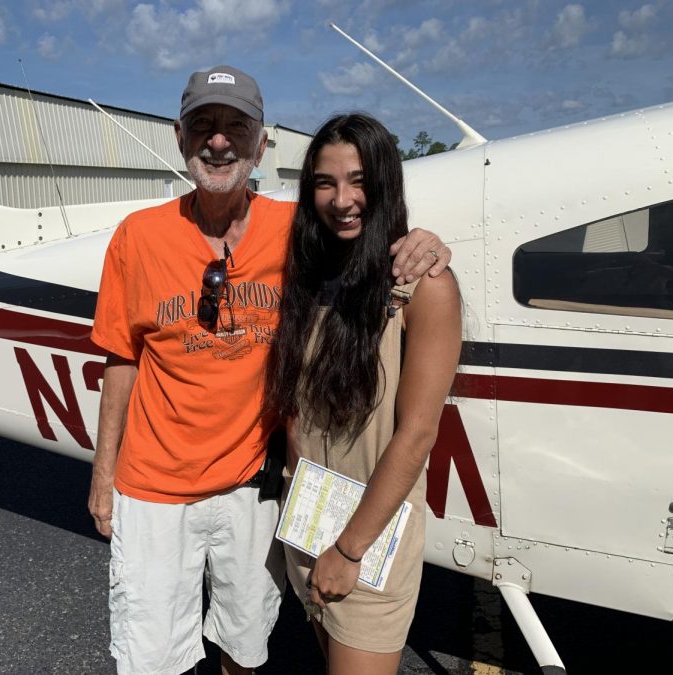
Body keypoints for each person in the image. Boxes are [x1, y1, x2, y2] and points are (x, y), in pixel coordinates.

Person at [88, 65, 452, 675]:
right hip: (153, 486)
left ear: (262, 144)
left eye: (236, 126)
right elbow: (122, 357)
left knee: (245, 644)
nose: (219, 139)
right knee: (149, 658)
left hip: (253, 486)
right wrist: (104, 473)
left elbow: (365, 234)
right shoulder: (137, 236)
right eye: (203, 124)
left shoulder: (296, 232)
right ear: (179, 137)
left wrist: (429, 244)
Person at [265, 113, 462, 674]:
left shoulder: (424, 285)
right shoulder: (311, 273)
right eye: (325, 183)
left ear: (384, 182)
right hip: (309, 518)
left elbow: (418, 433)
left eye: (358, 180)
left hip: (368, 540)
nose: (342, 198)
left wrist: (349, 550)